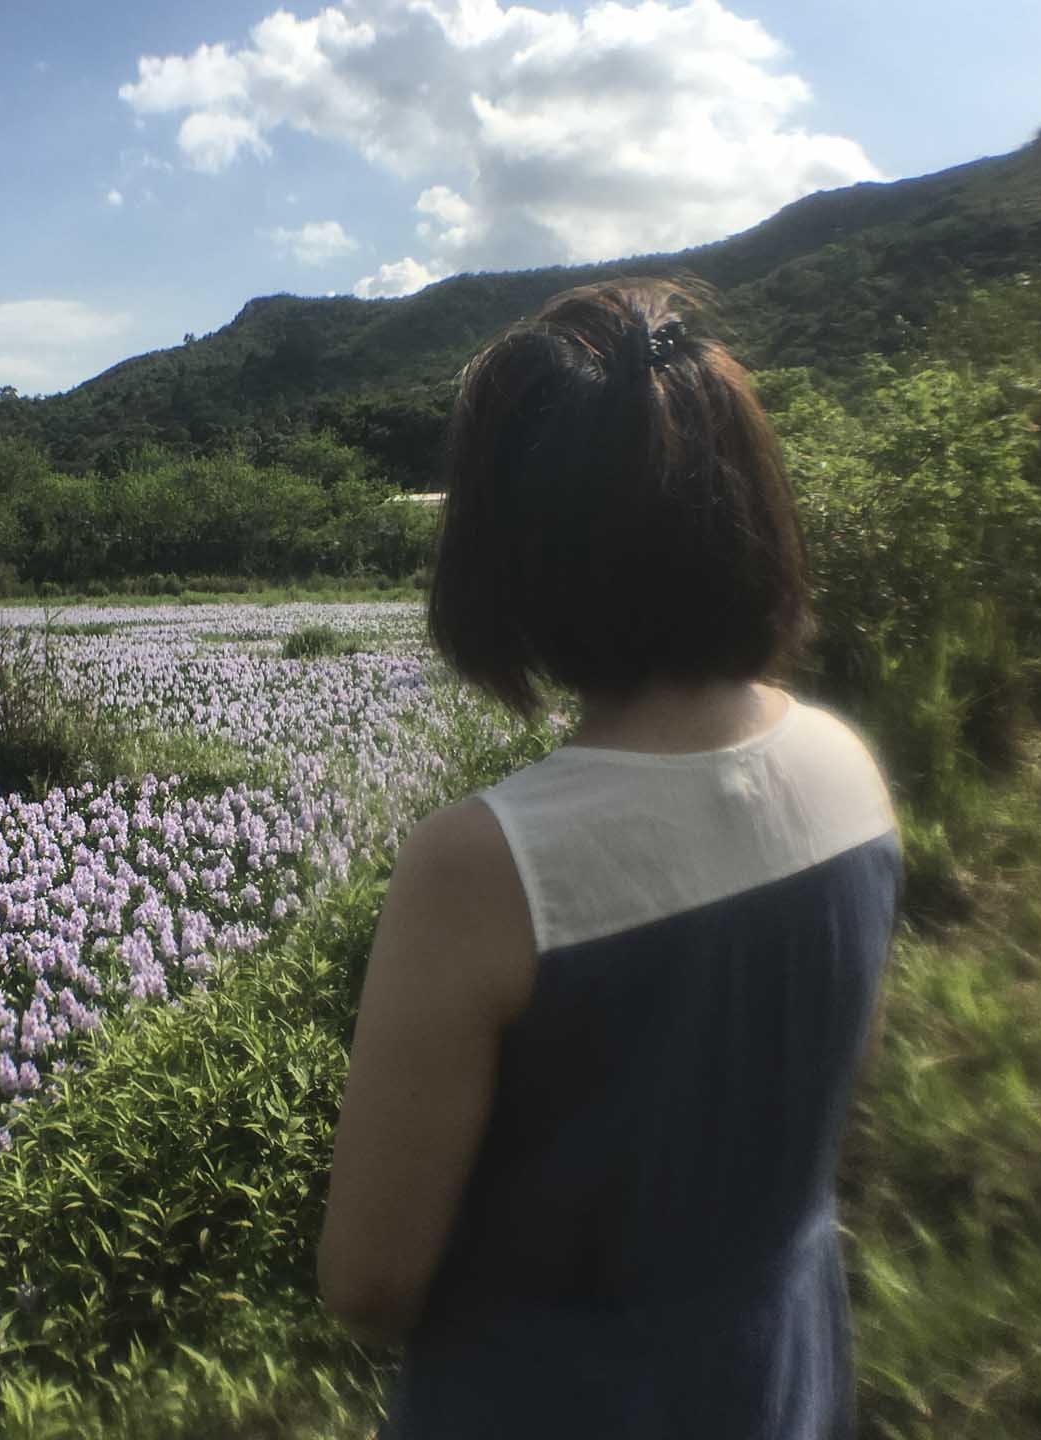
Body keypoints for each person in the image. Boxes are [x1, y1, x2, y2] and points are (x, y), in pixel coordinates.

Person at [316, 278, 903, 1438]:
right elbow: (827, 1099)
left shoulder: (481, 867)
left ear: (511, 561)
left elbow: (368, 1285)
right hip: (782, 1380)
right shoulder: (849, 768)